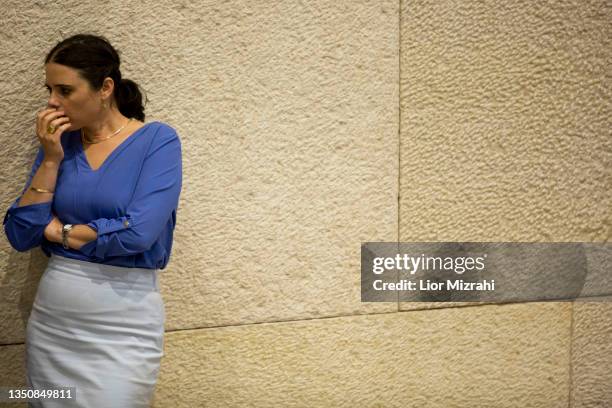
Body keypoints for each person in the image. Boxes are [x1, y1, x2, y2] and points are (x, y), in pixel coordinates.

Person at [3, 33, 182, 407]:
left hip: (126, 327)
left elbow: (139, 233)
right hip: (54, 326)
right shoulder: (60, 145)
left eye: (65, 90)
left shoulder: (158, 141)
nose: (52, 102)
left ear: (105, 88)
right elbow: (21, 232)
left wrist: (60, 231)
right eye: (49, 89)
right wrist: (50, 159)